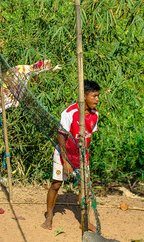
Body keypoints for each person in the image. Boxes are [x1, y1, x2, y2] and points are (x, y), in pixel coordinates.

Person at [42, 80, 101, 231]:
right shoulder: (69, 113)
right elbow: (61, 137)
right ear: (85, 96)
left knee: (85, 187)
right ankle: (49, 217)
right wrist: (66, 161)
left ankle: (85, 221)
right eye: (94, 96)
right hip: (64, 153)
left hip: (81, 156)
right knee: (56, 184)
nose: (97, 99)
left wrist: (83, 157)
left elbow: (89, 136)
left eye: (98, 96)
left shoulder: (95, 115)